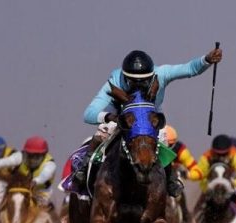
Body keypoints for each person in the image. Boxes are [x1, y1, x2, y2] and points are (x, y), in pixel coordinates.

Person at [74, 46, 223, 193]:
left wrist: (207, 60)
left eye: (144, 82)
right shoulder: (115, 80)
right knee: (103, 131)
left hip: (151, 118)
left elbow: (189, 69)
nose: (138, 86)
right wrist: (109, 117)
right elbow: (89, 114)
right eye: (133, 82)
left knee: (163, 136)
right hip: (123, 118)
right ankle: (84, 169)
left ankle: (170, 178)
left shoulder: (162, 73)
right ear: (124, 77)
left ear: (152, 75)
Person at [163, 125, 203, 223]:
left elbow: (198, 171)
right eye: (164, 144)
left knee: (180, 196)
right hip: (156, 181)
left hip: (173, 181)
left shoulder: (181, 150)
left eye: (169, 145)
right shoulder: (152, 147)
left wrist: (187, 174)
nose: (166, 148)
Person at [0, 136, 56, 208]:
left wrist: (35, 181)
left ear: (43, 155)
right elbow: (7, 161)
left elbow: (45, 175)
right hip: (20, 189)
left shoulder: (50, 164)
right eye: (29, 155)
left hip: (41, 192)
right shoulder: (20, 156)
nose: (32, 160)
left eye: (36, 156)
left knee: (42, 209)